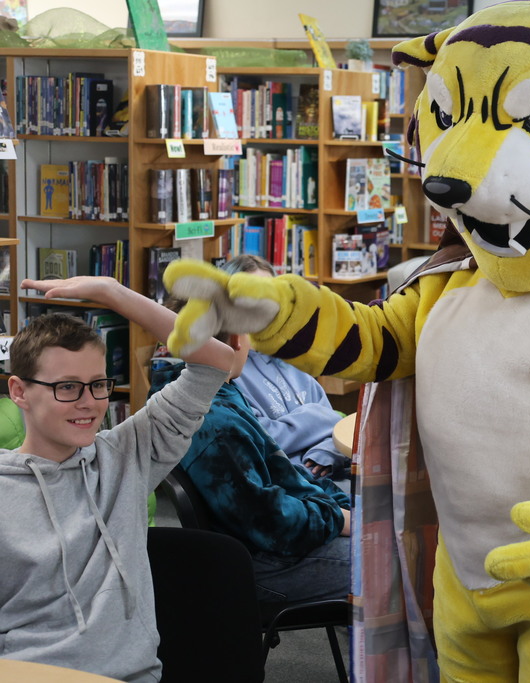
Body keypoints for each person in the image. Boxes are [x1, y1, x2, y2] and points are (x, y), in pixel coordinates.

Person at [0, 276, 234, 682]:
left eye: (98, 384)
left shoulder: (127, 455)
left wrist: (112, 292)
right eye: (68, 387)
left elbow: (216, 360)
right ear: (19, 391)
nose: (89, 403)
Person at [149, 308, 351, 604]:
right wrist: (338, 518)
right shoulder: (218, 423)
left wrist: (340, 507)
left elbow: (286, 475)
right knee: (393, 563)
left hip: (267, 544)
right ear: (236, 339)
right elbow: (269, 521)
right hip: (264, 563)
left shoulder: (195, 390)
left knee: (385, 540)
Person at [222, 254, 349, 479]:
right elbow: (263, 440)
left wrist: (326, 453)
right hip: (287, 486)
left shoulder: (292, 357)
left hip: (326, 470)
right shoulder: (231, 371)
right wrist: (317, 416)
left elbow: (335, 428)